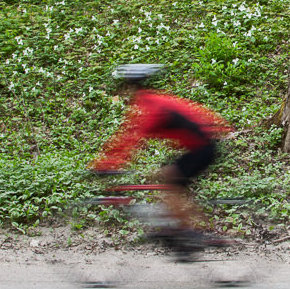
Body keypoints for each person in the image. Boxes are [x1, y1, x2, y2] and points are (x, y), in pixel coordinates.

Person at [91, 64, 231, 247]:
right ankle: (182, 229)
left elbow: (131, 139)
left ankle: (190, 232)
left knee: (171, 178)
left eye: (126, 88)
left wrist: (107, 164)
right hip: (200, 145)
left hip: (204, 147)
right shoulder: (153, 100)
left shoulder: (151, 106)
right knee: (168, 177)